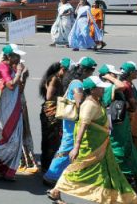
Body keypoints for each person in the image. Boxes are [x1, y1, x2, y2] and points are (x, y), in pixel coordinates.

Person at [47, 76, 137, 204]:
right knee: (78, 170)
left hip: (101, 145)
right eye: (100, 87)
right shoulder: (89, 105)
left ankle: (107, 198)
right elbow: (83, 125)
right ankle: (57, 190)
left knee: (104, 172)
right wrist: (76, 147)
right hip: (91, 147)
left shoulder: (97, 101)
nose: (102, 89)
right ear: (92, 90)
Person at [44, 57, 97, 185]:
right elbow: (79, 102)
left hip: (70, 120)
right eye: (91, 70)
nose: (92, 73)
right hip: (73, 121)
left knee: (68, 146)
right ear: (85, 70)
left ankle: (62, 173)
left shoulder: (74, 81)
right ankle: (51, 175)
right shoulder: (78, 84)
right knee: (67, 147)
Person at [0, 44, 26, 180]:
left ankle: (4, 169)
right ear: (9, 56)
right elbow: (11, 85)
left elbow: (18, 86)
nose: (19, 58)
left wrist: (22, 75)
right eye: (16, 55)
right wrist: (18, 72)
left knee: (16, 139)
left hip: (14, 105)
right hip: (5, 106)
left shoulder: (10, 66)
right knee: (8, 138)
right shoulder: (2, 66)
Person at [99, 64, 137, 188]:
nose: (116, 75)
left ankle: (130, 177)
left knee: (128, 148)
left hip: (120, 123)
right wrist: (110, 77)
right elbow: (122, 86)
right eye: (113, 73)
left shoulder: (108, 86)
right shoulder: (110, 87)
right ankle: (122, 177)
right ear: (107, 75)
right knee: (120, 149)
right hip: (117, 125)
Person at [38, 59, 67, 173]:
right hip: (50, 112)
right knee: (50, 140)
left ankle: (48, 164)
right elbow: (49, 96)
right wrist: (63, 98)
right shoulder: (54, 79)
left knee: (54, 140)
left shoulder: (59, 78)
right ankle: (47, 166)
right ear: (62, 69)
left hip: (55, 111)